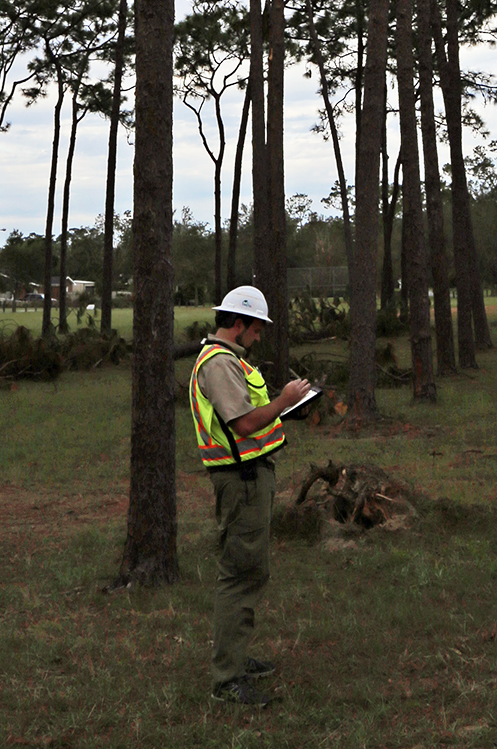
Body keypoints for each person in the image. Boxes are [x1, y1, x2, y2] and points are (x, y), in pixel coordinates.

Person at [188, 284, 313, 708]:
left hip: (249, 477)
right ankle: (227, 679)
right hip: (240, 481)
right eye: (256, 329)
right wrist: (285, 398)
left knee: (250, 570)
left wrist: (289, 405)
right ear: (238, 324)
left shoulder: (228, 360)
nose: (259, 336)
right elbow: (242, 425)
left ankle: (236, 658)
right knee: (240, 574)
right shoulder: (219, 364)